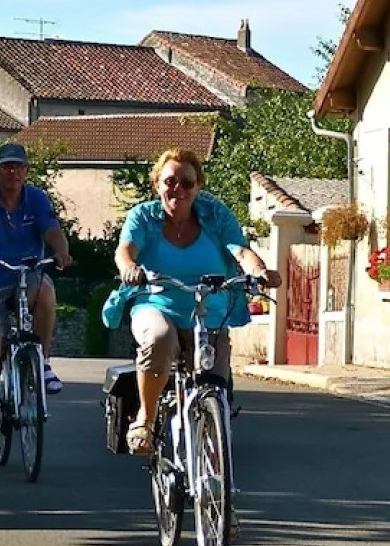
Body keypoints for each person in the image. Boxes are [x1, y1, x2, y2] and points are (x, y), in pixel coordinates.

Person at [104, 148, 281, 459]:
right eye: (170, 182)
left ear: (198, 186)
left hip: (208, 309)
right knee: (160, 337)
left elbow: (239, 250)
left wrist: (258, 271)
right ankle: (145, 418)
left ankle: (214, 468)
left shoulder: (215, 214)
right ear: (157, 184)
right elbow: (125, 250)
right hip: (155, 301)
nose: (179, 190)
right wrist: (129, 268)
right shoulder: (143, 217)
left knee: (216, 384)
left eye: (187, 183)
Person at [0, 143, 73, 456]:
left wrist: (61, 250)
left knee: (47, 292)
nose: (13, 172)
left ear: (26, 172)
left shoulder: (35, 198)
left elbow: (51, 229)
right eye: (7, 166)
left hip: (25, 272)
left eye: (18, 166)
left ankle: (44, 362)